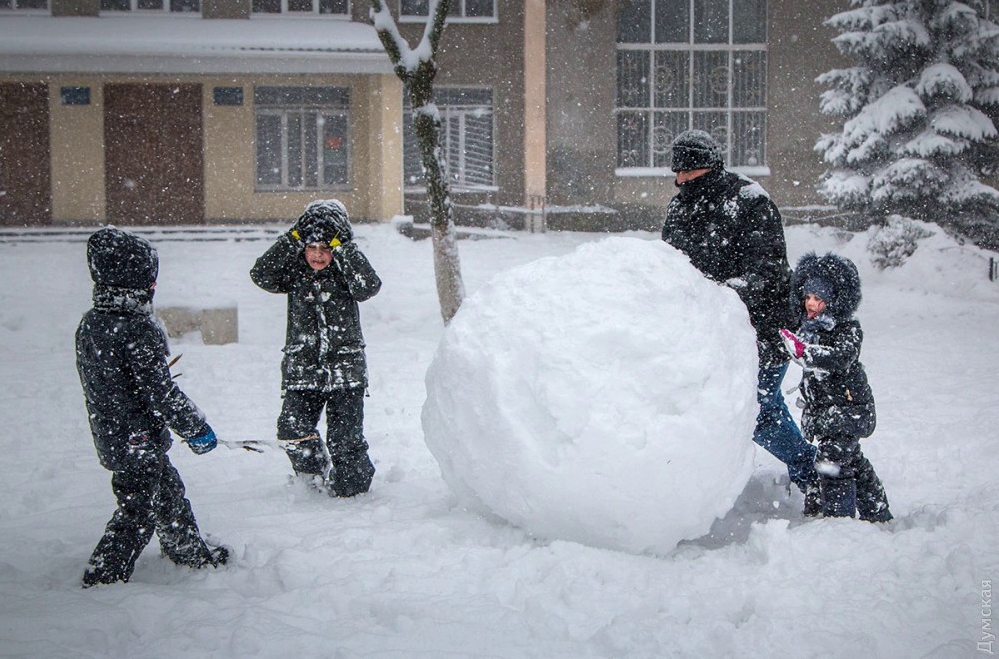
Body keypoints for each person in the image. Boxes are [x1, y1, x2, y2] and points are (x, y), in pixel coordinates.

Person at [661, 129, 820, 510]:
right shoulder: (680, 206)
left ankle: (811, 473)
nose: (681, 180)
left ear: (711, 166)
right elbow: (670, 264)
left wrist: (716, 293)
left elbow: (767, 272)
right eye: (676, 173)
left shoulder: (750, 201)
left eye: (689, 172)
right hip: (708, 329)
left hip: (763, 327)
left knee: (760, 413)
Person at [76, 227, 228, 588]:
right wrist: (195, 428)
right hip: (137, 439)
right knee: (138, 510)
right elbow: (161, 392)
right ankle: (104, 576)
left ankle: (189, 553)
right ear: (141, 283)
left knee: (169, 494)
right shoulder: (137, 329)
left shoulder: (92, 323)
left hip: (113, 433)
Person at [251, 199, 382, 497]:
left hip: (345, 371)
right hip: (303, 368)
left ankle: (353, 492)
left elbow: (368, 286)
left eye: (326, 248)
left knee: (345, 440)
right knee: (292, 429)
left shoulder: (346, 273)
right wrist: (293, 237)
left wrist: (346, 247)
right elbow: (261, 275)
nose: (318, 255)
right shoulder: (295, 272)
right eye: (312, 247)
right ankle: (311, 481)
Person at [780, 252, 892, 522]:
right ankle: (877, 514)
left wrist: (808, 354)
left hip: (848, 410)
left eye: (818, 299)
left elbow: (841, 358)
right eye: (807, 297)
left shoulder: (848, 329)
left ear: (834, 301)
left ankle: (838, 522)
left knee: (833, 466)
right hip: (827, 413)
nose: (811, 304)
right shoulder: (808, 329)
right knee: (853, 462)